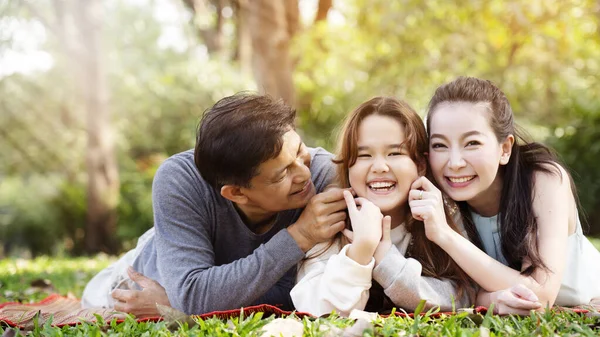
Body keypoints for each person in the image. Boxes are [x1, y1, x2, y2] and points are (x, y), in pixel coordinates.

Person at [81, 93, 350, 316]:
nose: (304, 173)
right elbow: (194, 296)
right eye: (282, 174)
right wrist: (300, 236)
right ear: (236, 192)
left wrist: (175, 303)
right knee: (94, 301)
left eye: (300, 151)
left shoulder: (325, 174)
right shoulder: (180, 179)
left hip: (185, 282)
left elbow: (300, 291)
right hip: (153, 271)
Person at [409, 76, 600, 315]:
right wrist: (492, 300)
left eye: (472, 143)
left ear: (505, 149)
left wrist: (445, 235)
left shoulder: (543, 181)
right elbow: (462, 293)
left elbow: (541, 295)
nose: (455, 162)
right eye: (440, 145)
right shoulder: (438, 201)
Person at [290, 97, 476, 317]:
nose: (379, 167)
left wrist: (387, 262)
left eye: (395, 153)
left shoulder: (440, 211)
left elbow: (464, 296)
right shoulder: (331, 221)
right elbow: (313, 309)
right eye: (364, 155)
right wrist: (360, 251)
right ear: (348, 166)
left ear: (420, 165)